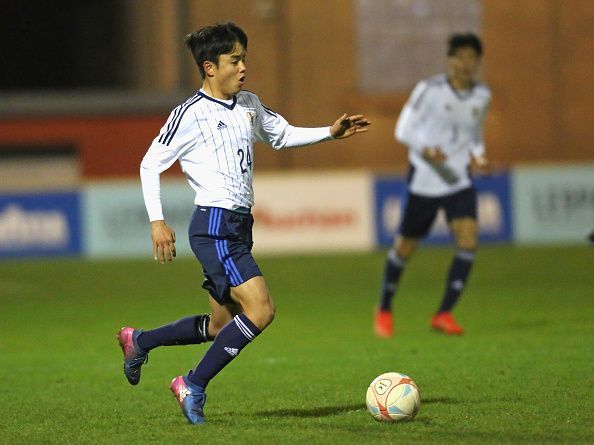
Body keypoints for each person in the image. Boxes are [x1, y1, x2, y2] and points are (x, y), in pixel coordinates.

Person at [117, 22, 370, 425]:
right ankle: (192, 384)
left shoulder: (249, 103)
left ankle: (139, 341)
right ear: (210, 67)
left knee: (220, 325)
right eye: (235, 60)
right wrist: (157, 222)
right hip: (214, 226)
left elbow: (281, 135)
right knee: (261, 309)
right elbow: (150, 164)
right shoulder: (190, 114)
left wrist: (330, 133)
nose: (243, 67)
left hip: (237, 226)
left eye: (244, 59)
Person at [374, 32, 491, 337]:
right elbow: (403, 130)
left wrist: (479, 155)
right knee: (404, 248)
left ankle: (444, 313)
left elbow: (474, 134)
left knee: (468, 242)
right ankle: (385, 309)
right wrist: (426, 149)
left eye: (471, 57)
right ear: (450, 60)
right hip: (425, 180)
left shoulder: (482, 96)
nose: (465, 63)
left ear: (478, 62)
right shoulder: (429, 89)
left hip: (458, 180)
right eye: (460, 56)